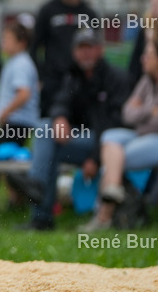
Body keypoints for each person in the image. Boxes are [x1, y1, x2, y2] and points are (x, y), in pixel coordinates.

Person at [19, 28, 130, 230]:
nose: (85, 53)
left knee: (47, 144)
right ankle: (40, 205)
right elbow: (61, 102)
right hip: (79, 140)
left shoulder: (116, 78)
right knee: (45, 129)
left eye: (90, 47)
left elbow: (115, 124)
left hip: (106, 145)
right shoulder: (73, 77)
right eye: (81, 48)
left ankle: (38, 195)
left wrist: (95, 158)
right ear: (74, 52)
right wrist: (60, 117)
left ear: (100, 50)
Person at [83, 33, 158, 231]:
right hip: (144, 134)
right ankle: (113, 191)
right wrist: (149, 111)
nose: (142, 58)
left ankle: (104, 216)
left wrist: (143, 117)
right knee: (110, 137)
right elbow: (127, 113)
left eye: (148, 55)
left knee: (116, 159)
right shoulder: (147, 82)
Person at [0, 20, 40, 213]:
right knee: (8, 162)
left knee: (1, 161)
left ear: (22, 42)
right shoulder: (16, 62)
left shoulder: (21, 64)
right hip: (16, 121)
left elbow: (24, 93)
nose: (3, 43)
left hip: (17, 122)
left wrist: (5, 112)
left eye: (7, 39)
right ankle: (16, 200)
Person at [33, 0, 98, 123]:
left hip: (80, 82)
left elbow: (96, 49)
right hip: (53, 80)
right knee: (49, 125)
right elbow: (34, 47)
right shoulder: (48, 10)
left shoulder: (89, 13)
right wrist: (40, 77)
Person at [128, 0, 158, 85]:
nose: (154, 8)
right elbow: (135, 63)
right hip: (147, 82)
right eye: (152, 3)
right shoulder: (147, 29)